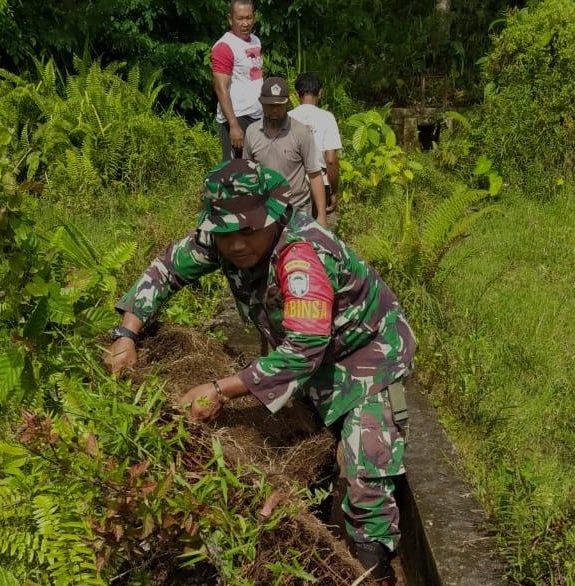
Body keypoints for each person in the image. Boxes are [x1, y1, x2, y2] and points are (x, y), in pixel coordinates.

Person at [104, 159, 414, 586]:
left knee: (367, 470)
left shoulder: (301, 256)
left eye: (247, 231)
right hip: (313, 353)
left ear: (273, 215)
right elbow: (167, 269)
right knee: (306, 439)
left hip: (369, 353)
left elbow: (304, 347)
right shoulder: (222, 238)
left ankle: (370, 569)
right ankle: (314, 518)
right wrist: (126, 333)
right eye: (226, 233)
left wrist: (220, 388)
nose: (235, 245)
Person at [242, 76, 327, 227]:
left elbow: (314, 175)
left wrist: (321, 215)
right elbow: (248, 174)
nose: (274, 109)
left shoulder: (301, 132)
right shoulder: (252, 132)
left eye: (279, 105)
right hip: (265, 209)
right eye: (270, 105)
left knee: (299, 249)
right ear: (261, 102)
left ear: (287, 102)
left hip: (297, 208)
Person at [212, 0, 263, 162]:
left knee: (256, 169)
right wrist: (233, 124)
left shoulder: (255, 41)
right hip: (238, 118)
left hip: (257, 117)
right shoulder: (224, 46)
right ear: (230, 19)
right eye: (240, 18)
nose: (245, 23)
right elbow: (221, 87)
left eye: (249, 17)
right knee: (236, 172)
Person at [288, 72, 343, 215]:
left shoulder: (287, 118)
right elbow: (330, 160)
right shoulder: (327, 118)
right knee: (317, 229)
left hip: (293, 183)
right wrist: (334, 191)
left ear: (296, 93)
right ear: (320, 92)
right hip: (319, 182)